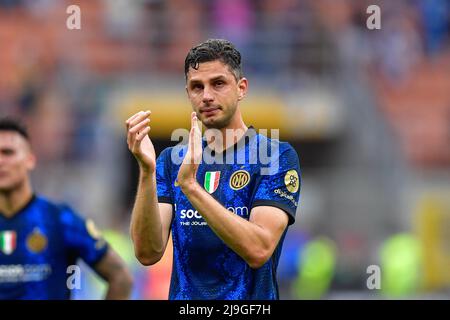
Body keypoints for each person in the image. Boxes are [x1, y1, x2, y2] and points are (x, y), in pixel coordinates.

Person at [127, 39, 301, 299]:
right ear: (188, 93)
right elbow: (147, 253)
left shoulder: (274, 156)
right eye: (197, 87)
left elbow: (258, 249)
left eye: (218, 83)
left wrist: (191, 188)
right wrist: (146, 172)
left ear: (241, 88)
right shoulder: (171, 161)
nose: (207, 95)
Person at [0, 118, 133, 300]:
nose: (1, 161)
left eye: (8, 153)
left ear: (30, 160)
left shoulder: (60, 220)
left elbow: (120, 277)